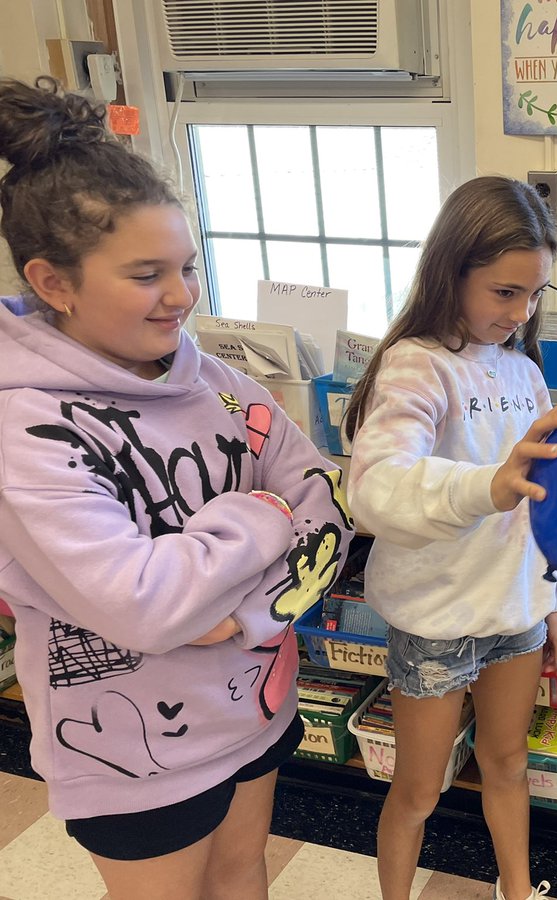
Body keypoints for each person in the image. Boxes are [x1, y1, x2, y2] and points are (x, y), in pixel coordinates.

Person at [0, 78, 354, 899]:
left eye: (188, 267)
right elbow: (144, 606)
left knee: (241, 875)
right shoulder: (26, 427)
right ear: (55, 283)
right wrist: (259, 515)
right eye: (147, 273)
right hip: (126, 749)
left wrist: (247, 614)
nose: (183, 294)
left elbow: (325, 508)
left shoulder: (224, 385)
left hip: (253, 705)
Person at [344, 175, 557, 900]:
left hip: (514, 610)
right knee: (419, 787)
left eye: (534, 293)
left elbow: (538, 505)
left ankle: (517, 890)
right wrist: (488, 484)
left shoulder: (524, 371)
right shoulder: (418, 364)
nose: (521, 311)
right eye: (505, 291)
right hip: (438, 617)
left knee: (508, 765)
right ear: (453, 271)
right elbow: (377, 486)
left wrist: (552, 602)